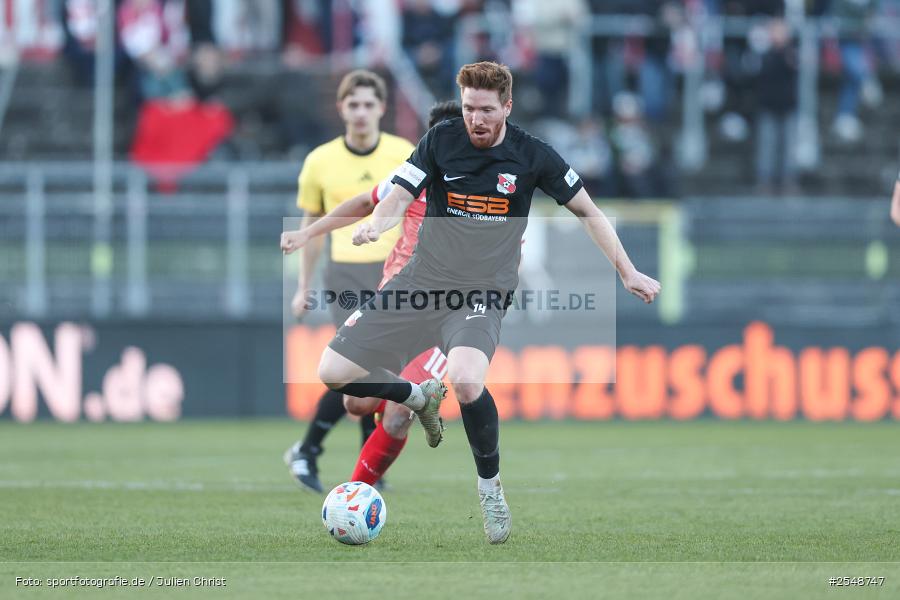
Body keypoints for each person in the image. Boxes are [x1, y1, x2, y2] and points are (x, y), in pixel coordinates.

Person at [316, 62, 660, 544]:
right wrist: (378, 223)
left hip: (481, 292)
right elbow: (398, 195)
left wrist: (627, 271)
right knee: (332, 372)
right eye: (468, 108)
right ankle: (416, 396)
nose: (475, 119)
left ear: (507, 107)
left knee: (466, 379)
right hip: (420, 282)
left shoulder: (533, 155)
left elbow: (588, 211)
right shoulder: (440, 141)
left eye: (485, 110)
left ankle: (490, 487)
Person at [281, 101, 463, 488]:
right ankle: (414, 398)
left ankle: (357, 493)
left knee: (396, 417)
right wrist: (308, 233)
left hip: (443, 316)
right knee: (356, 401)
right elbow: (369, 203)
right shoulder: (414, 174)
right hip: (394, 301)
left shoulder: (485, 192)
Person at [282, 70, 413, 493]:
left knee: (379, 372)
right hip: (345, 273)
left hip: (393, 274)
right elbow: (312, 225)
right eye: (353, 104)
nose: (360, 112)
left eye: (368, 104)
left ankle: (349, 461)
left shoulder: (403, 153)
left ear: (381, 108)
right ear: (341, 108)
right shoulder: (320, 161)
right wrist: (303, 286)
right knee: (361, 368)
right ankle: (312, 451)